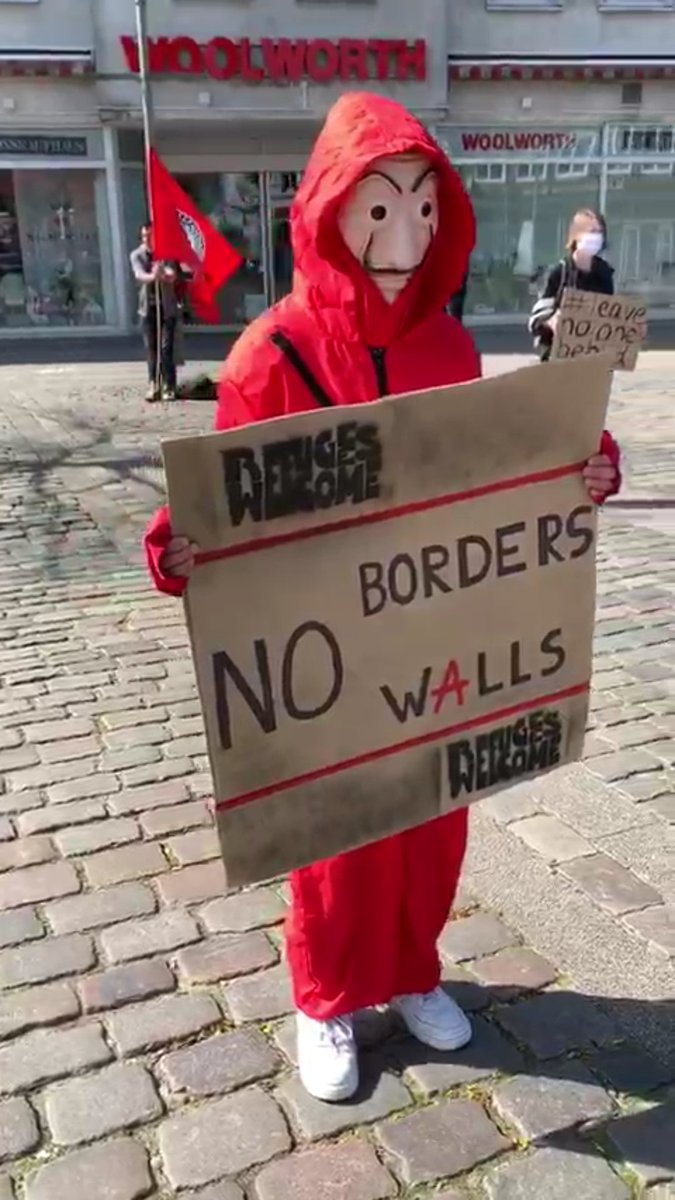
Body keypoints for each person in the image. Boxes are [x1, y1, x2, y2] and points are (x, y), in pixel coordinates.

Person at [143, 94, 621, 1104]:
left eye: (424, 209)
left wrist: (578, 469)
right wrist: (181, 548)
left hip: (431, 646)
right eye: (377, 209)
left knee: (430, 823)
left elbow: (498, 469)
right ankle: (324, 994)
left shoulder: (448, 349)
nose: (404, 237)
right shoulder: (266, 357)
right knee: (340, 841)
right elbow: (220, 521)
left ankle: (409, 973)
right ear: (326, 214)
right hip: (326, 657)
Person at [529, 209, 614, 361]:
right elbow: (537, 318)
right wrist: (552, 321)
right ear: (577, 235)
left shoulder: (604, 273)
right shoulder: (558, 273)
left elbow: (611, 312)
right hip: (559, 359)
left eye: (599, 232)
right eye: (591, 231)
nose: (596, 237)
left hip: (592, 360)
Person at [130, 224, 182, 402]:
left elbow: (172, 274)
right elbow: (139, 275)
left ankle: (169, 385)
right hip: (148, 310)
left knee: (166, 348)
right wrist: (153, 276)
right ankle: (153, 383)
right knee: (151, 349)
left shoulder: (166, 253)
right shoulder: (137, 255)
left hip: (166, 308)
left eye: (150, 236)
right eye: (144, 236)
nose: (147, 240)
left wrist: (163, 273)